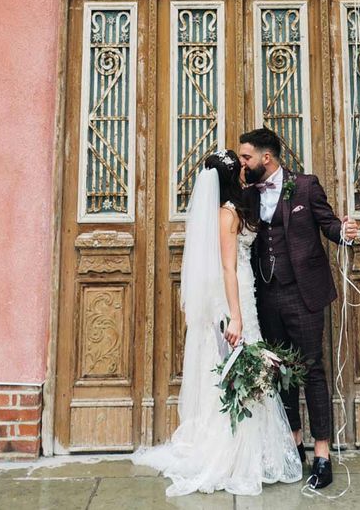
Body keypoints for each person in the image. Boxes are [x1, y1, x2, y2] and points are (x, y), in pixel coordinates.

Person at [130, 150, 302, 496]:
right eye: (240, 168)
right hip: (233, 294)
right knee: (237, 360)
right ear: (229, 178)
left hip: (244, 289)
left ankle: (253, 449)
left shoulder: (235, 209)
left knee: (241, 363)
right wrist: (235, 316)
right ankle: (233, 453)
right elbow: (226, 266)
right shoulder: (226, 215)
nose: (245, 171)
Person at [238, 127, 359, 490]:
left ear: (266, 158)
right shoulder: (246, 191)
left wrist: (345, 231)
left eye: (247, 157)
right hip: (267, 294)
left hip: (303, 293)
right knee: (280, 372)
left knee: (312, 371)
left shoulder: (305, 186)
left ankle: (322, 453)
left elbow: (329, 224)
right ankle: (294, 442)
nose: (243, 162)